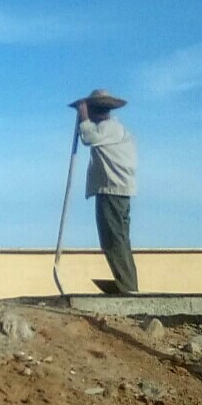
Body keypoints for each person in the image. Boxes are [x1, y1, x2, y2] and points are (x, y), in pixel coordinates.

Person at [72, 89, 138, 294]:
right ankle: (126, 283)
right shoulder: (112, 129)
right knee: (117, 239)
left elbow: (88, 137)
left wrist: (83, 119)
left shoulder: (109, 128)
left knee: (113, 240)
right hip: (115, 189)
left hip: (113, 190)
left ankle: (127, 286)